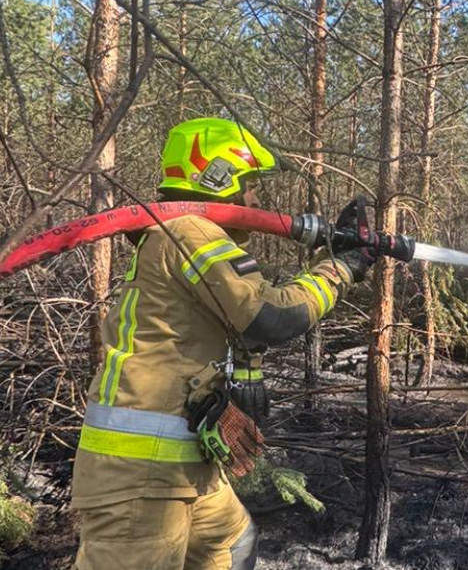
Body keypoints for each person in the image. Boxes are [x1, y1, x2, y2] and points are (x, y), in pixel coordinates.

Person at [71, 117, 374, 569]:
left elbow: (226, 324)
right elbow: (269, 317)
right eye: (249, 185)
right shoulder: (190, 232)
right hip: (139, 475)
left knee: (233, 545)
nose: (255, 199)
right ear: (217, 177)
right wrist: (340, 269)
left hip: (179, 467)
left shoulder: (180, 233)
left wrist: (230, 390)